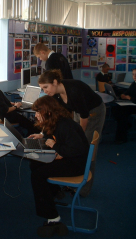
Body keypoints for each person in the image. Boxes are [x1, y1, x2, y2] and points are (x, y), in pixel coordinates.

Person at [38, 69, 106, 197]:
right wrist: (43, 133)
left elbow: (84, 118)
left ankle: (83, 189)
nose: (45, 91)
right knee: (72, 144)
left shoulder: (74, 91)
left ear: (55, 82)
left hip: (94, 111)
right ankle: (72, 178)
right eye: (42, 88)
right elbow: (54, 117)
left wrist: (78, 137)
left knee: (87, 149)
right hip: (80, 112)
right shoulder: (56, 94)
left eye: (46, 87)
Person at [29, 96, 89, 237]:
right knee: (35, 164)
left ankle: (53, 217)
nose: (36, 115)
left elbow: (78, 150)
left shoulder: (65, 125)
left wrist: (56, 147)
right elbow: (52, 135)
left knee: (37, 175)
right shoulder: (57, 120)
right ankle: (54, 191)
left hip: (76, 164)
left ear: (48, 111)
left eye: (38, 112)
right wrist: (42, 136)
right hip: (70, 158)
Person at [0, 71, 39, 136]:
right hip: (8, 117)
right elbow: (5, 110)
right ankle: (30, 136)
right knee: (29, 124)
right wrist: (16, 106)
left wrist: (9, 103)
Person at [112, 68, 136, 144]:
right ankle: (126, 125)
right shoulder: (134, 83)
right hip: (132, 104)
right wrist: (123, 94)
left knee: (122, 113)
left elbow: (132, 97)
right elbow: (127, 92)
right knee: (115, 108)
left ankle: (121, 138)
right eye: (133, 74)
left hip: (134, 104)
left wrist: (130, 98)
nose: (134, 76)